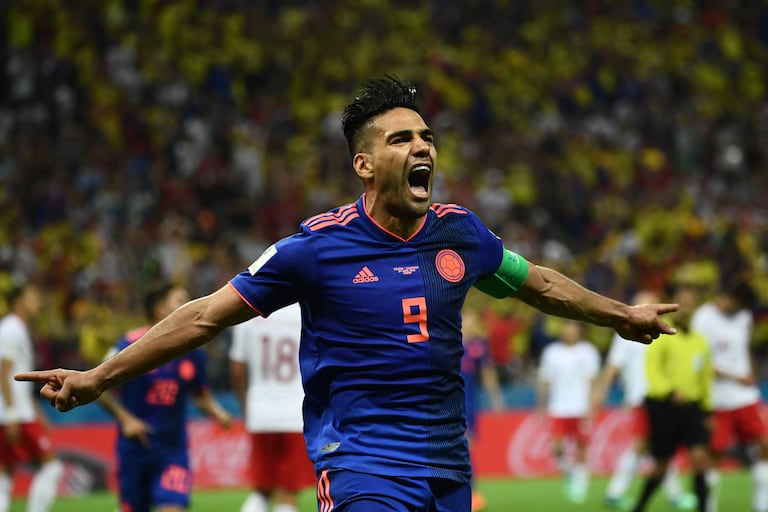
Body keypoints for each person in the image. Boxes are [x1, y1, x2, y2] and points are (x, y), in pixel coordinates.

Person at [16, 75, 680, 512]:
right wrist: (100, 378)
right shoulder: (314, 248)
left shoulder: (462, 234)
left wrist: (621, 315)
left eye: (426, 136)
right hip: (361, 462)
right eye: (402, 139)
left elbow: (538, 284)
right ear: (364, 164)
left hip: (449, 466)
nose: (423, 147)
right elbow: (201, 317)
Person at [96, 282, 232, 512]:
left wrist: (217, 412)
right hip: (135, 449)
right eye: (180, 301)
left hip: (172, 450)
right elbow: (97, 388)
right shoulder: (129, 344)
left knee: (172, 507)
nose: (188, 305)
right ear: (160, 310)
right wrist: (126, 419)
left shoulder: (194, 352)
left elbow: (199, 394)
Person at [593, 290, 695, 511]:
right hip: (641, 398)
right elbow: (612, 367)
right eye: (640, 304)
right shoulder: (626, 334)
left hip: (662, 397)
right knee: (644, 445)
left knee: (660, 445)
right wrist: (600, 393)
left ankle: (622, 493)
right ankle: (617, 492)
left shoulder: (662, 333)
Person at [630, 285, 714, 512]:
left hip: (692, 408)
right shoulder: (664, 334)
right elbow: (652, 368)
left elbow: (706, 376)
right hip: (664, 406)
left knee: (700, 460)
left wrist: (707, 409)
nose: (687, 305)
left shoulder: (700, 340)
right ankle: (640, 506)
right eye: (682, 300)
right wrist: (668, 390)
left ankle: (705, 508)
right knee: (661, 464)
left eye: (690, 300)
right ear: (674, 305)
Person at [229, 302, 315, 512]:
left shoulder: (247, 315)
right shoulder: (305, 312)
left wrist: (246, 407)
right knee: (288, 492)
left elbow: (237, 371)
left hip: (260, 412)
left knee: (261, 490)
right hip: (295, 414)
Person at [691, 279, 768, 512]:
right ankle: (708, 506)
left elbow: (743, 349)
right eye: (736, 304)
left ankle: (761, 505)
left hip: (745, 397)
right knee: (715, 454)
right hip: (718, 399)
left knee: (765, 446)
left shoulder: (744, 317)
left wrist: (751, 373)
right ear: (728, 297)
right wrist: (736, 377)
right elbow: (699, 361)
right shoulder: (704, 318)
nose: (736, 310)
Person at [0, 283, 63, 512]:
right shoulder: (11, 328)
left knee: (4, 469)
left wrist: (37, 412)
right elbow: (3, 373)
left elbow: (18, 381)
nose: (38, 301)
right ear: (18, 301)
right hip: (15, 415)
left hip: (15, 412)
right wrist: (12, 413)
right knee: (52, 467)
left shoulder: (15, 328)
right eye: (32, 296)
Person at [536, 320, 600, 503]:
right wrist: (540, 407)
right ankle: (570, 473)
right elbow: (544, 381)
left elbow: (592, 382)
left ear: (580, 331)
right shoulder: (551, 352)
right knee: (556, 447)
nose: (570, 331)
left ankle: (580, 487)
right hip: (558, 407)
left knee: (581, 447)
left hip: (580, 407)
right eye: (567, 327)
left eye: (573, 328)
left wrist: (592, 408)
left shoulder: (588, 352)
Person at [460, 303, 505, 511]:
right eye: (465, 317)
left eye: (471, 319)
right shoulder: (446, 341)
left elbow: (488, 373)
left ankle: (472, 494)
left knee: (466, 448)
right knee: (459, 449)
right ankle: (467, 493)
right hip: (445, 404)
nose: (468, 322)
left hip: (469, 405)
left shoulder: (478, 346)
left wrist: (495, 398)